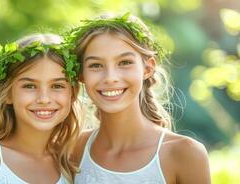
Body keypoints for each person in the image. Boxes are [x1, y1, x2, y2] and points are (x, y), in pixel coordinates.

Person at [65, 13, 211, 183]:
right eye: (96, 65)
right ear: (81, 75)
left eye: (125, 62)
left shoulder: (184, 154)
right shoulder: (72, 150)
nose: (110, 77)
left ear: (147, 68)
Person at [0, 33, 81, 184]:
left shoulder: (72, 163)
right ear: (8, 94)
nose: (44, 99)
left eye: (57, 86)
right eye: (29, 86)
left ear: (73, 93)